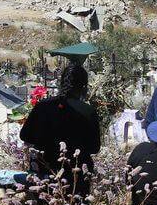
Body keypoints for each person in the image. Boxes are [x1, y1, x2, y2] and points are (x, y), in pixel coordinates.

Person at [20, 63, 100, 196]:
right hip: (76, 178)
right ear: (84, 87)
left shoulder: (42, 106)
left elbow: (25, 135)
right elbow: (94, 148)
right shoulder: (88, 111)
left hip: (44, 174)